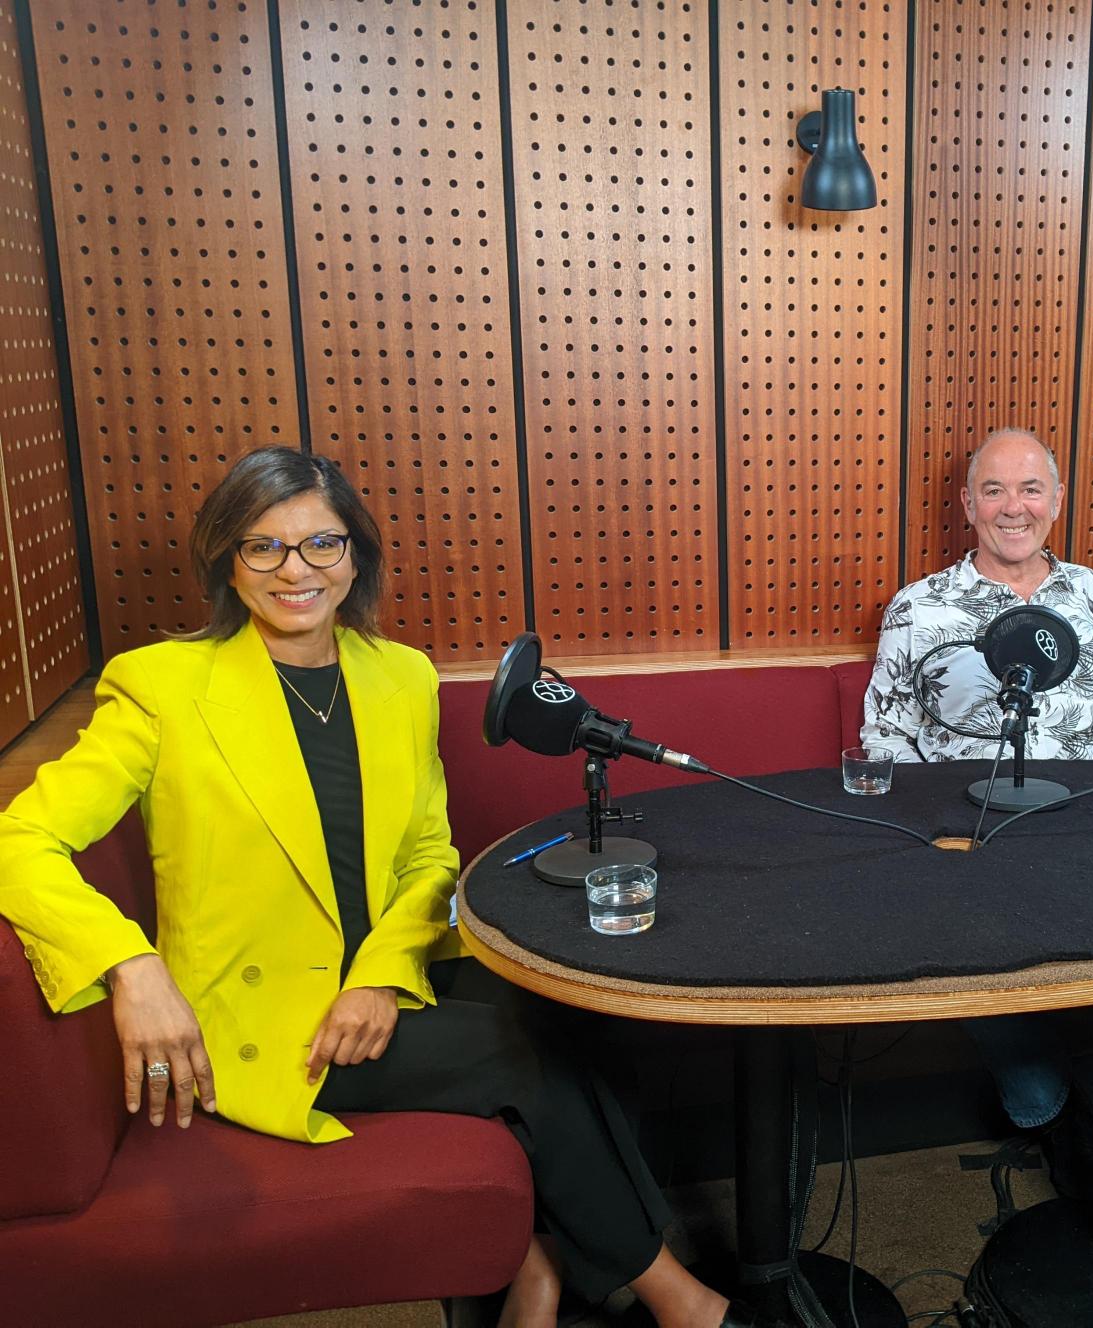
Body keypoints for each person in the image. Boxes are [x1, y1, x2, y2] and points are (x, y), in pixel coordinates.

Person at [0, 448, 747, 1328]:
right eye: (263, 548)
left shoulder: (399, 676)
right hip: (266, 1017)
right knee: (525, 1062)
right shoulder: (161, 688)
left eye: (320, 544)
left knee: (580, 1010)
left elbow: (432, 853)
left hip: (388, 966)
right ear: (227, 562)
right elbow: (19, 838)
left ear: (355, 555)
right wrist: (132, 967)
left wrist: (379, 976)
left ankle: (537, 1274)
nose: (295, 571)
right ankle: (680, 1300)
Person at [862, 426, 1093, 1198]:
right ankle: (1049, 1115)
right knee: (971, 936)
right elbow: (885, 737)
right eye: (994, 490)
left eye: (1031, 489)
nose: (1013, 508)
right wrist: (935, 838)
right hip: (975, 834)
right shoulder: (920, 609)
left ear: (1057, 501)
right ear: (967, 505)